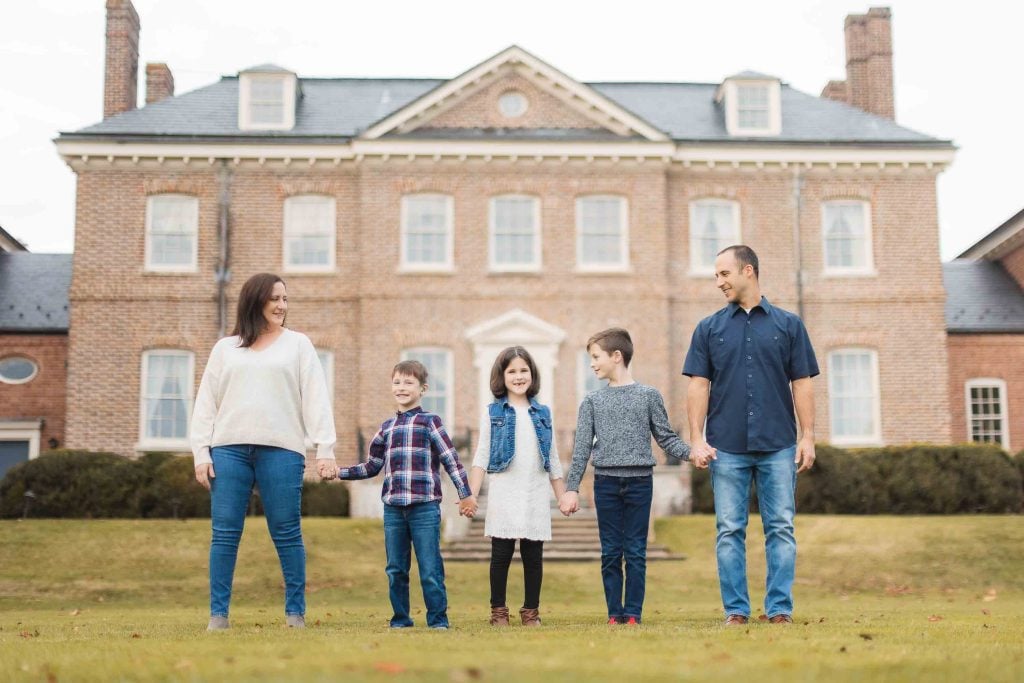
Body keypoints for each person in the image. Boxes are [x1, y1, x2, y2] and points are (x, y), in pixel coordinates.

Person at [191, 272, 337, 631]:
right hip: (228, 451)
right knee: (225, 534)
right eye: (275, 298)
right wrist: (201, 452)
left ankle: (295, 614)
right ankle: (218, 616)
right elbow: (206, 402)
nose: (282, 305)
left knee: (287, 532)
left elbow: (316, 397)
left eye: (285, 299)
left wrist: (325, 447)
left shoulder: (298, 344)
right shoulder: (225, 348)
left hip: (283, 450)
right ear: (255, 301)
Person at [682, 244, 818, 626]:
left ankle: (779, 610)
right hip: (726, 447)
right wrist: (696, 438)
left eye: (724, 274)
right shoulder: (708, 329)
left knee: (781, 529)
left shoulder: (789, 325)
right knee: (729, 531)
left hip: (778, 444)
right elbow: (697, 385)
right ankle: (736, 612)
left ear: (748, 271)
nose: (718, 282)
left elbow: (802, 383)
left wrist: (807, 436)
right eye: (716, 275)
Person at [560, 328, 691, 625]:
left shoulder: (648, 396)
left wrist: (692, 453)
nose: (592, 363)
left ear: (616, 356)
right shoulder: (592, 401)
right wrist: (571, 489)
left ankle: (632, 613)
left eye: (596, 357)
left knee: (635, 552)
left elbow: (666, 438)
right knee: (610, 552)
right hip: (605, 484)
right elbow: (581, 450)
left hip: (639, 483)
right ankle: (613, 614)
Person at [337, 360, 477, 630]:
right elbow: (372, 466)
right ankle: (401, 619)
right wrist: (339, 473)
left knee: (429, 568)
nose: (402, 387)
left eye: (409, 382)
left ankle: (438, 620)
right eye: (397, 382)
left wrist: (465, 493)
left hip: (424, 508)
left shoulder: (430, 423)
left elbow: (451, 460)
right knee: (396, 569)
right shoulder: (386, 428)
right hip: (393, 509)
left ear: (422, 389)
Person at [467, 346, 566, 627]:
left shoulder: (543, 412)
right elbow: (481, 455)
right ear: (502, 376)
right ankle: (498, 611)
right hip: (504, 491)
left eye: (524, 370)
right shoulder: (493, 412)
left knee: (533, 556)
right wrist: (470, 494)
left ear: (533, 375)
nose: (519, 376)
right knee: (501, 555)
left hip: (534, 490)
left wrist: (562, 496)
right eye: (512, 371)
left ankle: (530, 611)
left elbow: (553, 457)